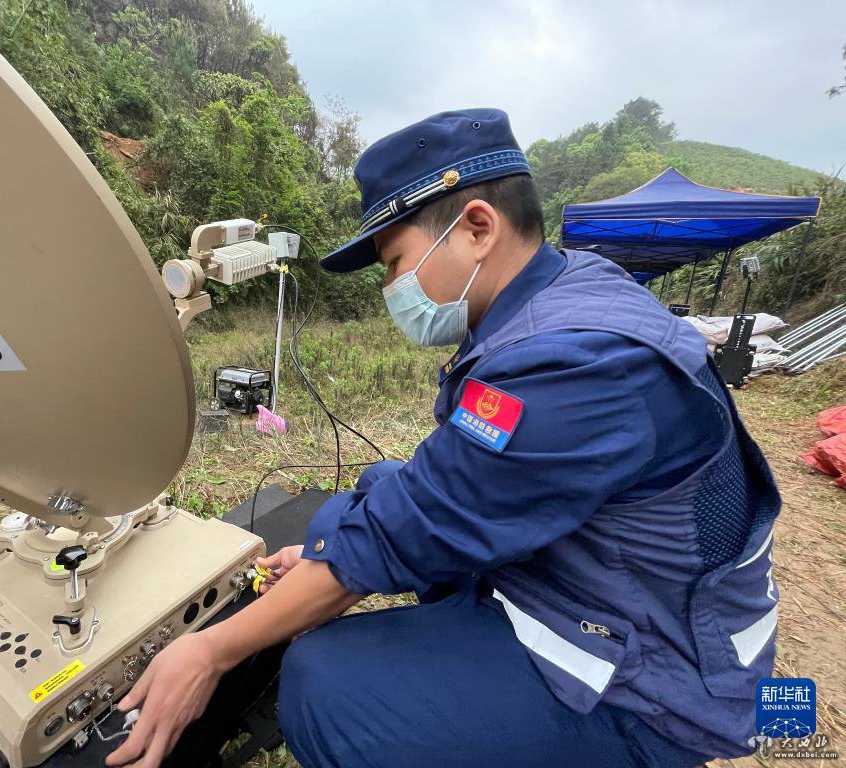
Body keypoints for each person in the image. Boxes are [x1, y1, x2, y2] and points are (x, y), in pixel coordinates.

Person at [106, 109, 781, 768]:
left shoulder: (574, 363)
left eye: (396, 262)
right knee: (379, 485)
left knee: (326, 681)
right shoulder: (564, 291)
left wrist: (210, 650)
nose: (394, 289)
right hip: (598, 584)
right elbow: (436, 490)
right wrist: (328, 545)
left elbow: (409, 530)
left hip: (650, 685)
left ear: (477, 227)